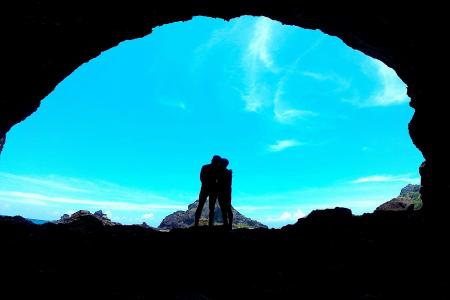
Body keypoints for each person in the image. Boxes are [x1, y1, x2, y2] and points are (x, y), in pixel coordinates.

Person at [194, 155, 222, 227]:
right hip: (211, 189)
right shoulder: (218, 169)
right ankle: (209, 225)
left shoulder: (205, 167)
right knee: (209, 207)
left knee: (202, 206)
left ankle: (197, 224)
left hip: (206, 189)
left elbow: (201, 178)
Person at [218, 158, 233, 230]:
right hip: (227, 192)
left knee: (225, 208)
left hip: (223, 192)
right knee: (227, 208)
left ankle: (227, 225)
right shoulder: (228, 172)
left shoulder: (222, 172)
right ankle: (228, 225)